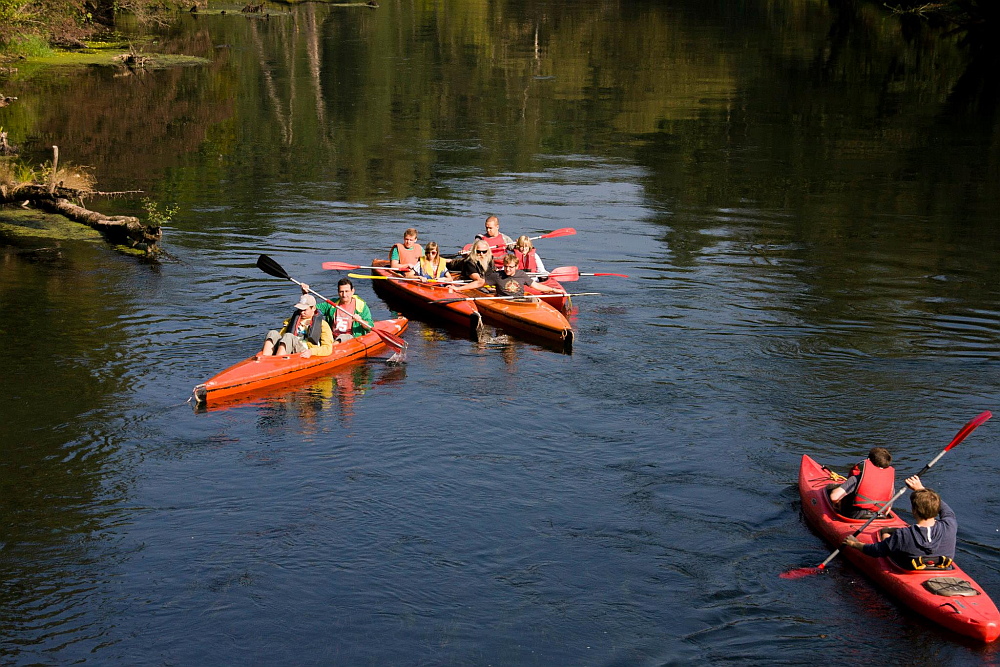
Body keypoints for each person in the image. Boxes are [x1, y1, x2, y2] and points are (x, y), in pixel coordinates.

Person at [842, 476, 958, 570]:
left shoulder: (903, 535)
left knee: (885, 533)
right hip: (942, 567)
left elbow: (876, 550)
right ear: (937, 508)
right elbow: (947, 511)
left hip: (909, 568)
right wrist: (921, 489)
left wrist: (854, 544)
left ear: (914, 511)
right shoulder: (950, 525)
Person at [829, 446, 895, 519]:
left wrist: (838, 502)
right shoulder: (891, 486)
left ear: (868, 460)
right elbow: (888, 510)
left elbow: (834, 497)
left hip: (857, 516)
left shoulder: (856, 479)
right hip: (879, 516)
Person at [300, 278, 374, 343]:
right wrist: (305, 294)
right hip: (331, 337)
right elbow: (312, 309)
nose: (344, 295)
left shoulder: (361, 306)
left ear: (352, 291)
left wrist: (360, 320)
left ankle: (331, 348)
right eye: (341, 291)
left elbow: (370, 326)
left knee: (343, 336)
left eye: (347, 291)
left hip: (350, 338)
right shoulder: (332, 304)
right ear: (338, 292)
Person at [260, 294, 333, 358]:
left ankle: (278, 362)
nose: (302, 312)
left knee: (289, 336)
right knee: (272, 333)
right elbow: (282, 336)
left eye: (305, 310)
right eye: (300, 310)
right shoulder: (292, 320)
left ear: (313, 308)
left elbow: (328, 348)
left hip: (304, 350)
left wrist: (311, 352)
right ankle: (265, 359)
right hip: (289, 347)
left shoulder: (323, 325)